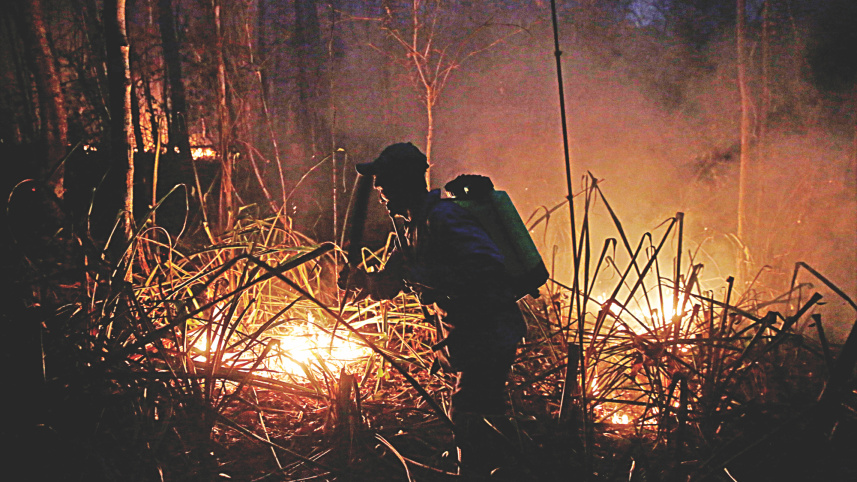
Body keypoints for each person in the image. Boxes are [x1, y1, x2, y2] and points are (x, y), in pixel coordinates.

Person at [341, 142, 526, 478]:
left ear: (405, 180)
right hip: (468, 335)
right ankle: (513, 468)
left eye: (385, 179)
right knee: (487, 411)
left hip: (490, 329)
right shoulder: (410, 229)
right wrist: (361, 282)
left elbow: (488, 265)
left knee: (468, 409)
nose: (379, 188)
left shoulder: (444, 217)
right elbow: (389, 285)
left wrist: (431, 279)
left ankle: (476, 472)